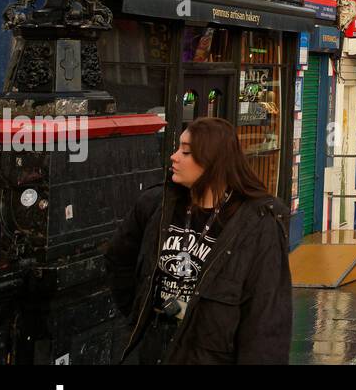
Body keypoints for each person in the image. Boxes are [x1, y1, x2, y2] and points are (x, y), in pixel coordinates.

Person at [105, 117, 292, 365]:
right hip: (152, 349)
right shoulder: (156, 205)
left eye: (186, 152)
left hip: (209, 354)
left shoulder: (257, 223)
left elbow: (266, 315)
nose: (174, 157)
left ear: (213, 161)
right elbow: (118, 258)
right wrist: (139, 311)